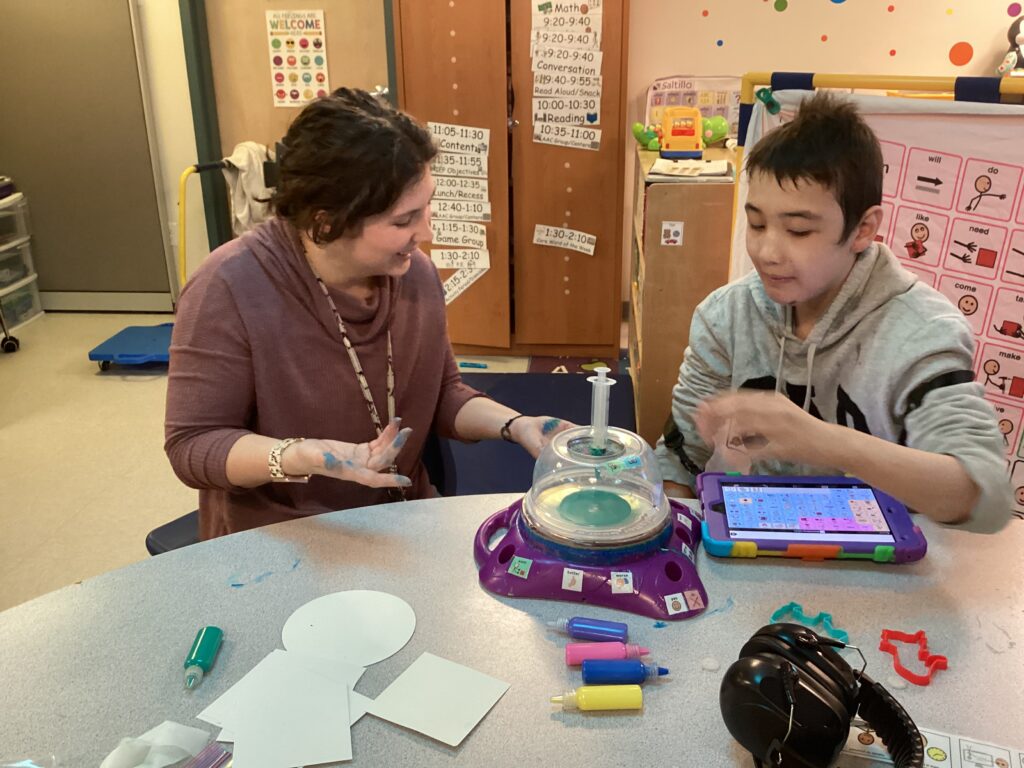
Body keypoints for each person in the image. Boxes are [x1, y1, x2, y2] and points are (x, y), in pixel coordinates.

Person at [165, 88, 569, 539]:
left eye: (427, 207)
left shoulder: (414, 275)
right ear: (325, 223)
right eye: (403, 220)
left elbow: (441, 392)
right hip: (281, 536)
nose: (426, 231)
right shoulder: (229, 285)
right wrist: (300, 456)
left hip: (400, 519)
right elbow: (192, 444)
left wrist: (516, 426)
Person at [654, 91, 1011, 533]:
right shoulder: (726, 316)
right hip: (762, 543)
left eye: (798, 230)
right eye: (757, 224)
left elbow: (984, 498)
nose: (766, 251)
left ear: (863, 229)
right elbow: (680, 456)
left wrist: (820, 441)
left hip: (886, 558)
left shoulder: (921, 332)